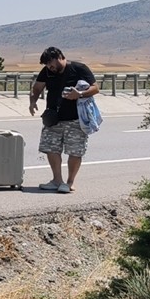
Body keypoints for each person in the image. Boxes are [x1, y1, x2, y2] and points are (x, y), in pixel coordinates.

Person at [29, 47, 98, 193]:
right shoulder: (47, 72)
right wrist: (33, 101)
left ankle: (70, 182)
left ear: (59, 57)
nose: (49, 67)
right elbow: (37, 87)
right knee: (51, 148)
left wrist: (79, 94)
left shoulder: (79, 68)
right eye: (46, 65)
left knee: (75, 151)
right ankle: (57, 180)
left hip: (75, 118)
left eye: (51, 63)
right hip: (53, 118)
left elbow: (95, 88)